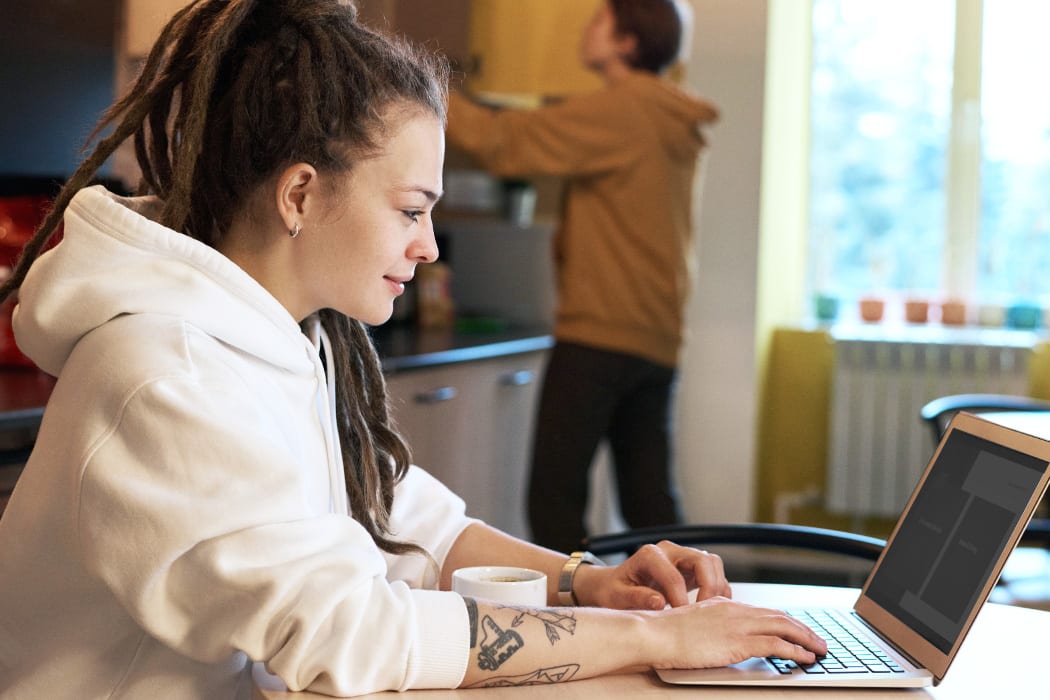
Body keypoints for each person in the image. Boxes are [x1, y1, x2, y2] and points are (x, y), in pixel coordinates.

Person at [0, 1, 824, 698]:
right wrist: (655, 641)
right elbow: (350, 638)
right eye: (409, 210)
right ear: (299, 195)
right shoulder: (168, 374)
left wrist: (584, 581)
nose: (429, 246)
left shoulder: (280, 334)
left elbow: (395, 512)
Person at [444, 0, 719, 553]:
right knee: (650, 503)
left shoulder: (626, 108)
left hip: (598, 334)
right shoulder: (667, 115)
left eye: (600, 20)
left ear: (627, 42)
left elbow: (507, 143)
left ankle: (576, 618)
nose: (586, 28)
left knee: (553, 498)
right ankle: (693, 612)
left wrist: (420, 82)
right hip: (656, 336)